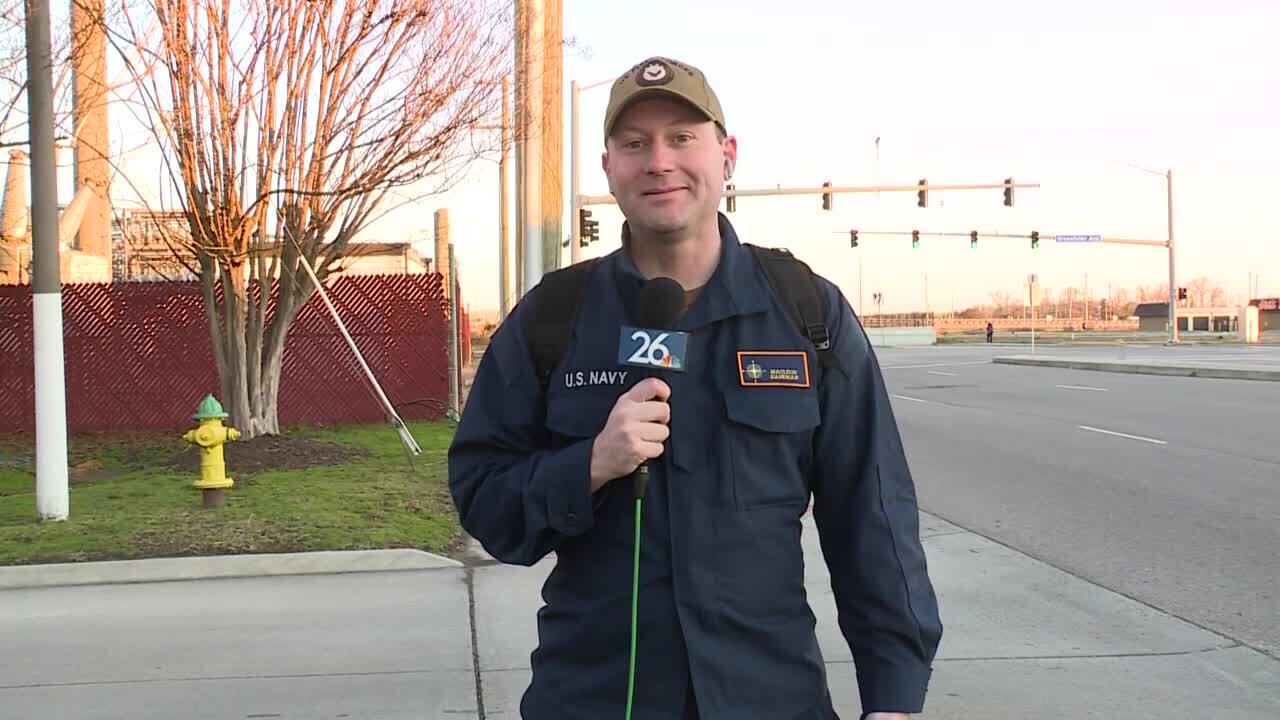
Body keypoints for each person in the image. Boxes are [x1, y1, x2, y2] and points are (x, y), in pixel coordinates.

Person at [448, 55, 942, 720]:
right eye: (635, 144)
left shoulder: (806, 314)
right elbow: (486, 502)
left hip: (770, 699)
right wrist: (589, 465)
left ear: (726, 154)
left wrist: (894, 695)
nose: (659, 161)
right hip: (595, 697)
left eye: (682, 137)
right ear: (609, 168)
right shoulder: (553, 318)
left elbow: (873, 517)